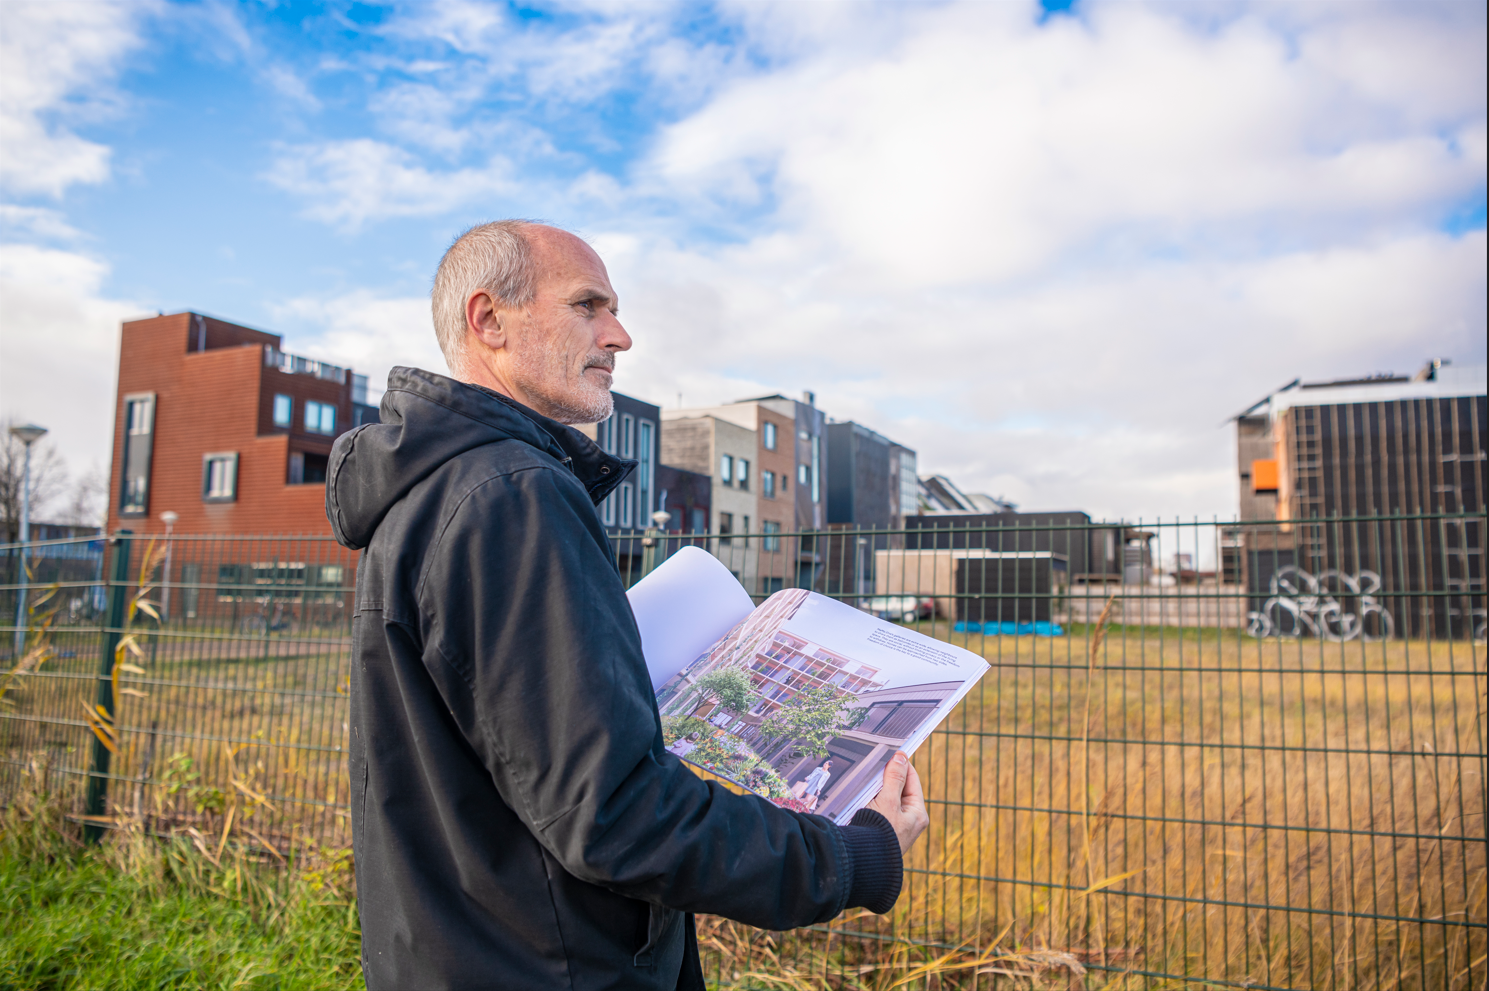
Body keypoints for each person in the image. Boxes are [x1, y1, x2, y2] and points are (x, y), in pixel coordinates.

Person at [326, 220, 930, 991]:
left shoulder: (428, 492)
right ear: (489, 321)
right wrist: (852, 856)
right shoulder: (514, 494)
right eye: (588, 305)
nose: (621, 335)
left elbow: (513, 761)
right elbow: (612, 813)